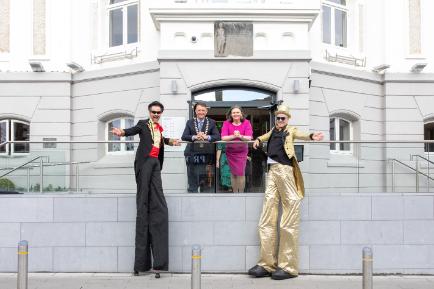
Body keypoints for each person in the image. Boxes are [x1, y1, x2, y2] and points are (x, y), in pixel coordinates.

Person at [248, 105, 323, 280]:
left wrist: (312, 136)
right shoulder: (273, 131)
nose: (280, 121)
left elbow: (302, 135)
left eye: (283, 118)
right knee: (267, 216)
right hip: (272, 171)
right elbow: (262, 137)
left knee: (289, 215)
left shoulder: (291, 131)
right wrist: (258, 139)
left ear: (288, 119)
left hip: (286, 170)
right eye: (278, 118)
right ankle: (267, 264)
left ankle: (288, 267)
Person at [111, 101, 180, 278]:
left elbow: (161, 141)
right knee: (143, 205)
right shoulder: (143, 124)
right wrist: (122, 132)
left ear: (161, 113)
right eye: (153, 112)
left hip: (156, 163)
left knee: (159, 206)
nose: (156, 114)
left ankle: (159, 263)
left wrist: (171, 141)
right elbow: (133, 130)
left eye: (158, 112)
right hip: (144, 163)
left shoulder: (158, 128)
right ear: (149, 112)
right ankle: (140, 264)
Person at [181, 102, 220, 193]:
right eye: (199, 110)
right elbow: (184, 136)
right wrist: (195, 137)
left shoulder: (212, 122)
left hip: (207, 154)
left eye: (203, 110)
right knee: (192, 176)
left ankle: (206, 198)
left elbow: (217, 136)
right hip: (192, 154)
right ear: (195, 111)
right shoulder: (190, 122)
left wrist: (207, 137)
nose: (201, 112)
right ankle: (192, 194)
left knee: (206, 177)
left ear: (206, 111)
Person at [221, 106, 253, 193]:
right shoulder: (226, 123)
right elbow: (223, 138)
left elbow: (249, 138)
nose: (236, 114)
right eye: (233, 112)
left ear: (241, 114)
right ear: (231, 114)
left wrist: (240, 136)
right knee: (233, 173)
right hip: (230, 152)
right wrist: (234, 136)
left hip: (242, 152)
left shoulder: (246, 123)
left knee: (241, 173)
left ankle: (241, 194)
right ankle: (235, 194)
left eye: (237, 112)